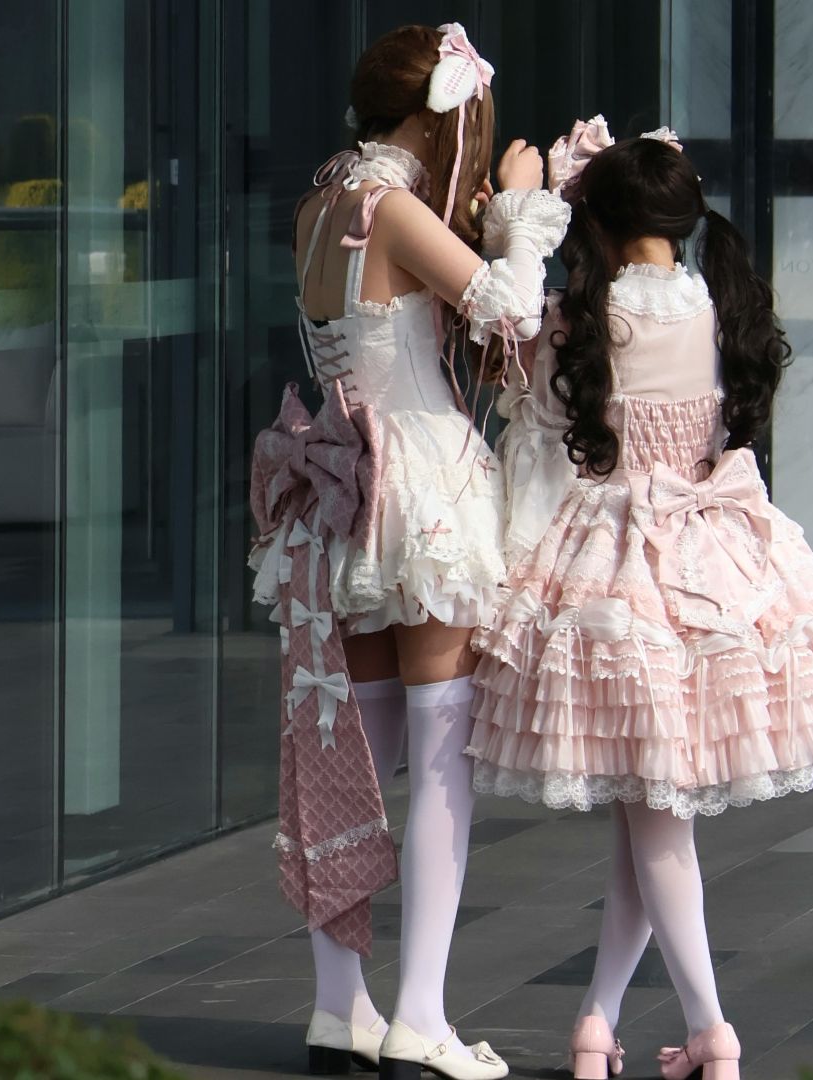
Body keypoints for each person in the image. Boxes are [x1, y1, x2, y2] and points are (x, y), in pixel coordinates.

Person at [470, 129, 813, 1080]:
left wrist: (514, 224)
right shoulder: (719, 303)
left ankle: (701, 1030)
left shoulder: (579, 318)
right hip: (712, 568)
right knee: (648, 827)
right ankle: (616, 1026)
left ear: (602, 225)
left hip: (616, 577)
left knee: (652, 830)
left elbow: (516, 389)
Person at [249, 22, 568, 1080]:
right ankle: (420, 1020)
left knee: (350, 751)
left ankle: (340, 1008)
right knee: (439, 754)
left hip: (345, 490)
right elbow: (510, 304)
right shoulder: (389, 206)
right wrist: (521, 211)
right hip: (421, 484)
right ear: (436, 117)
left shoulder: (320, 204)